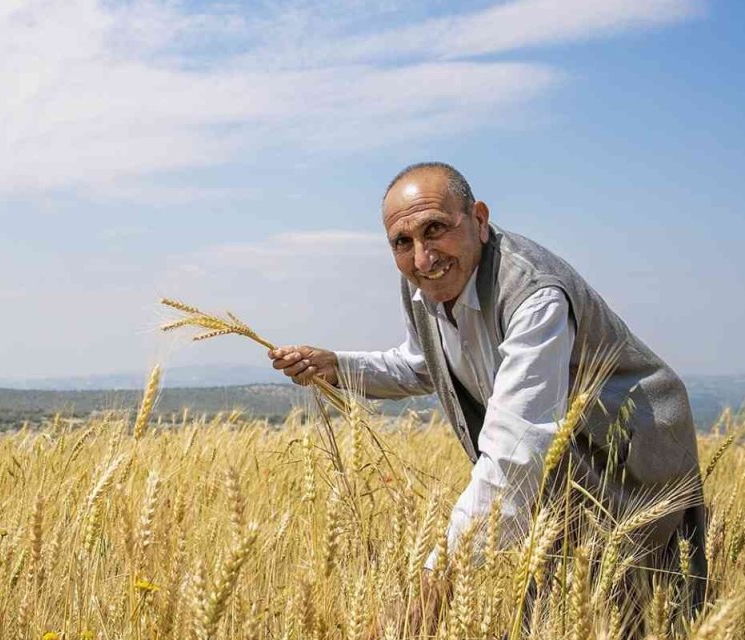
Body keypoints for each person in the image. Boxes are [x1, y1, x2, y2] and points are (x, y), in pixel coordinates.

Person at [268, 162, 708, 633]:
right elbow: (424, 363)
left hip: (631, 457)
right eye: (402, 242)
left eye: (434, 229)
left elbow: (516, 453)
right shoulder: (422, 282)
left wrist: (436, 579)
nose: (422, 258)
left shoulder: (536, 295)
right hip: (557, 472)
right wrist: (338, 366)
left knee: (641, 613)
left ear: (478, 219)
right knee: (554, 612)